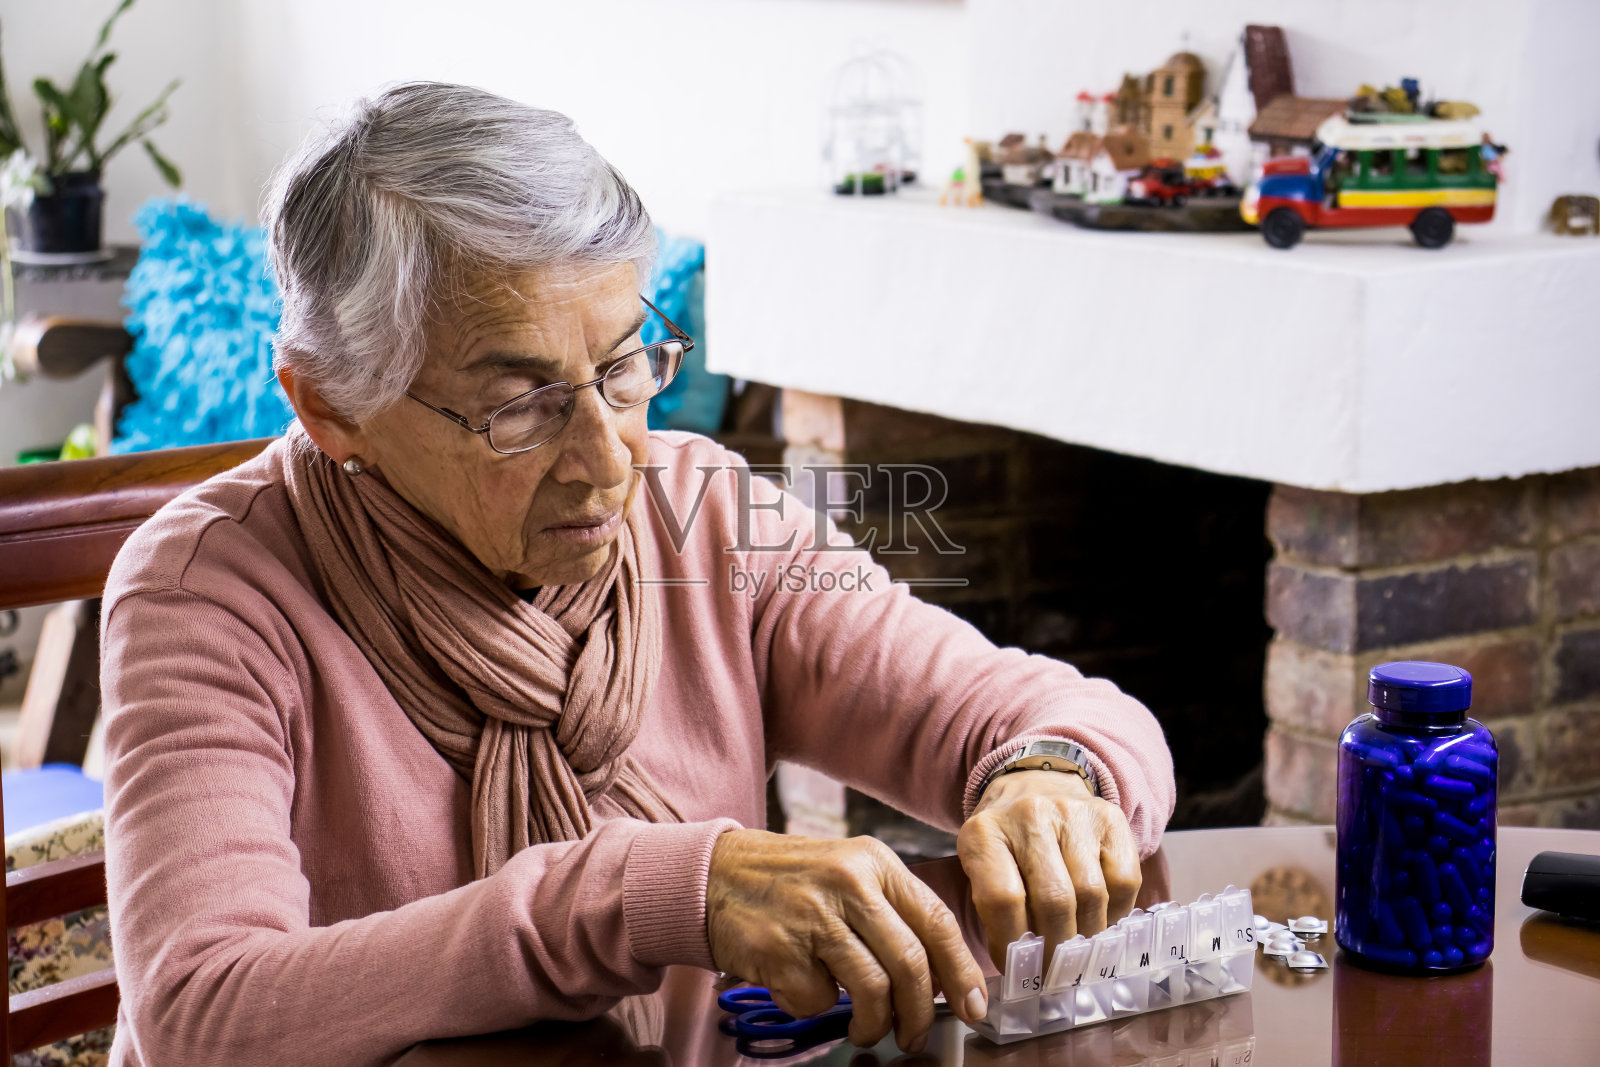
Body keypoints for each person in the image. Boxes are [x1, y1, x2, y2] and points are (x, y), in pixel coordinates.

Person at [100, 82, 1174, 1065]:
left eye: (622, 367)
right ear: (331, 406)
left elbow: (1047, 712)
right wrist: (645, 891)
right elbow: (205, 1012)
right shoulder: (207, 592)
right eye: (519, 405)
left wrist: (1050, 776)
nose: (610, 461)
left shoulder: (704, 512)